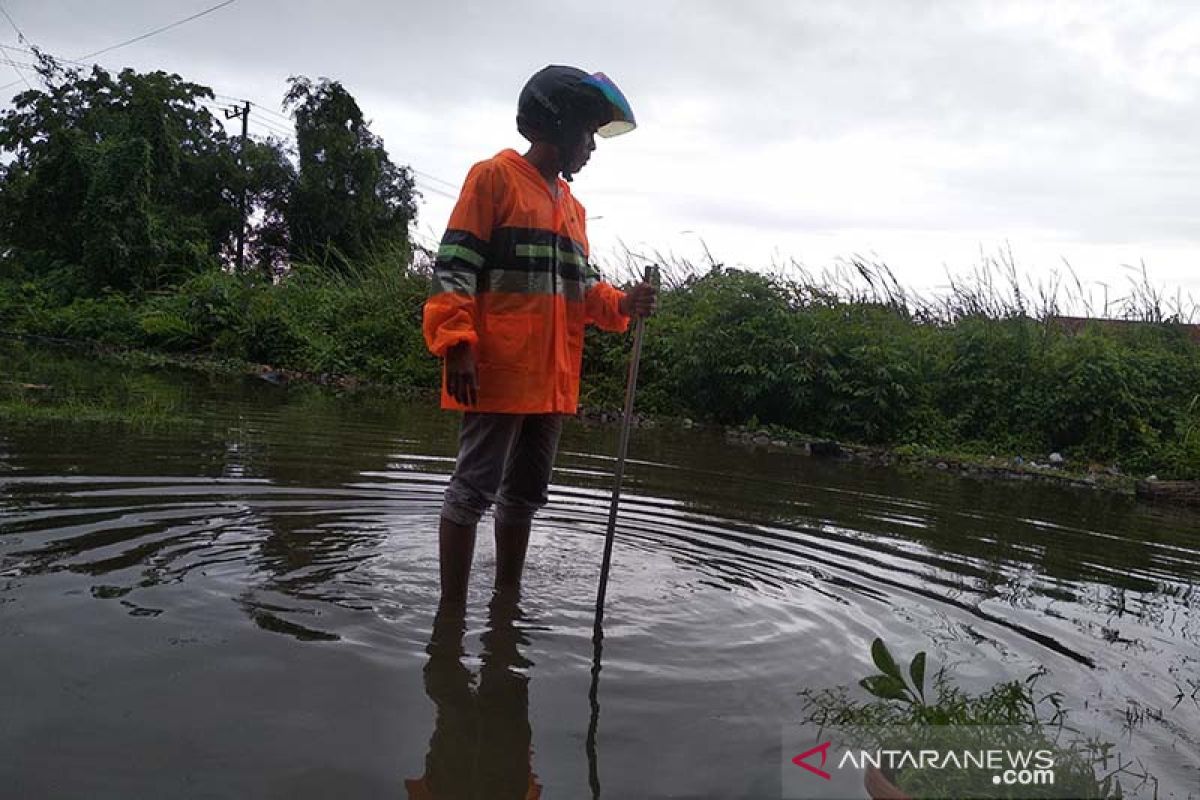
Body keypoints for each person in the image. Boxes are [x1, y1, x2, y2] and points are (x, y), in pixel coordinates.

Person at [423, 65, 656, 606]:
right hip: (497, 371)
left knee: (524, 495)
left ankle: (506, 601)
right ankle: (450, 615)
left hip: (551, 378)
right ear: (555, 125)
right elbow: (454, 265)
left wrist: (623, 303)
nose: (591, 149)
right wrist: (457, 342)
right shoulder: (493, 179)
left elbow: (583, 289)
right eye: (587, 134)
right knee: (472, 491)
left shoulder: (572, 210)